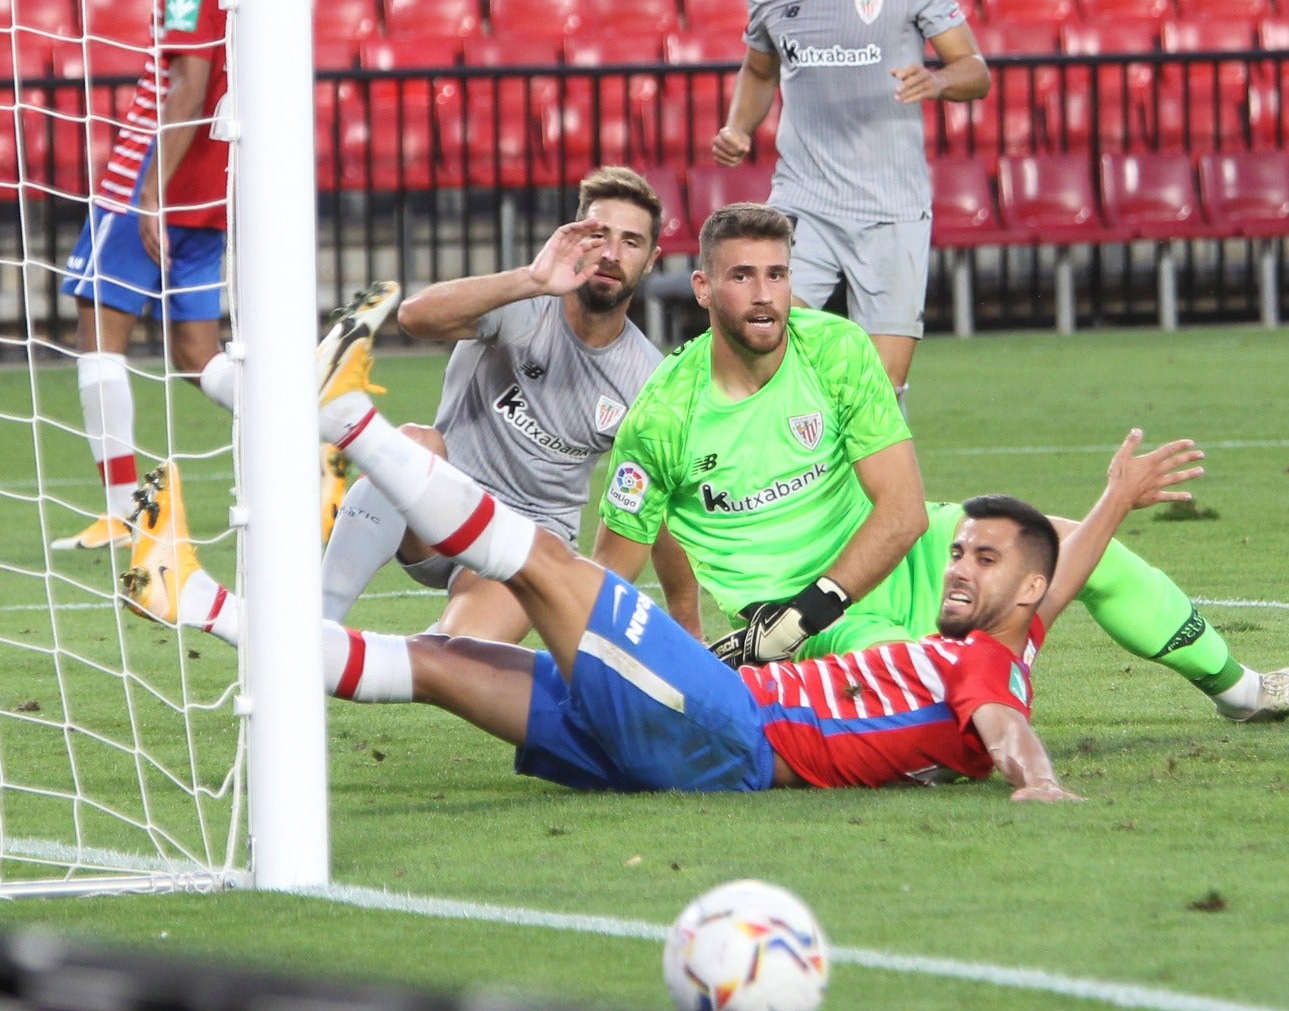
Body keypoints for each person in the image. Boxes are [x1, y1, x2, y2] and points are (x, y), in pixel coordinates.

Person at [118, 294, 1218, 798]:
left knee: (552, 563)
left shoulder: (988, 671)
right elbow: (1052, 588)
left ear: (1018, 590)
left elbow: (1003, 719)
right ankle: (191, 597)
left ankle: (348, 420)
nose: (960, 566)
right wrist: (1113, 502)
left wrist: (1039, 781)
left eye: (982, 559)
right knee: (445, 662)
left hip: (725, 726)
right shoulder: (1014, 635)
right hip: (700, 728)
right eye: (962, 549)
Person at [592, 203, 1289, 723]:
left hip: (888, 564)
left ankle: (1246, 691)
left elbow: (902, 512)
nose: (765, 295)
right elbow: (603, 584)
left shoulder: (832, 349)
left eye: (777, 274)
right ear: (703, 287)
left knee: (1068, 546)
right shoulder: (663, 416)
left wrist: (805, 612)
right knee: (920, 697)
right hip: (812, 626)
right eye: (742, 276)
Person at [319, 167, 700, 639]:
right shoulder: (524, 303)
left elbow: (657, 502)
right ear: (574, 236)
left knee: (458, 654)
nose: (610, 253)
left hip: (525, 542)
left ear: (651, 260)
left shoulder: (646, 377)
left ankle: (378, 659)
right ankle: (314, 626)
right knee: (414, 444)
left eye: (631, 242)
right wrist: (531, 279)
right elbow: (414, 318)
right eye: (599, 235)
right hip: (437, 512)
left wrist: (687, 620)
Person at [711, 0, 991, 414]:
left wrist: (938, 81)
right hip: (804, 201)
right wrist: (739, 127)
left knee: (881, 387)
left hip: (891, 205)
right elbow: (760, 70)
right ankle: (784, 466)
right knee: (764, 346)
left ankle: (873, 472)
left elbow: (975, 71)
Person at [53, 0, 235, 552]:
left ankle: (124, 509)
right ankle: (323, 438)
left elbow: (186, 84)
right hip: (210, 194)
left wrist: (151, 189)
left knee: (97, 332)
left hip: (145, 187)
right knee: (197, 354)